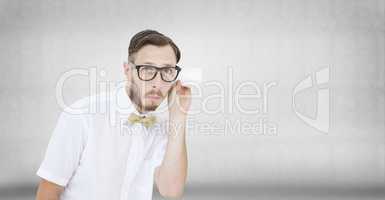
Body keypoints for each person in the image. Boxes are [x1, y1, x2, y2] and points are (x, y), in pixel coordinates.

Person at [35, 29, 191, 200]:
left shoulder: (159, 126)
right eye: (147, 69)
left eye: (167, 71)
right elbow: (48, 191)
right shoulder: (82, 115)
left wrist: (179, 116)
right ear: (127, 70)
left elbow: (171, 190)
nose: (158, 82)